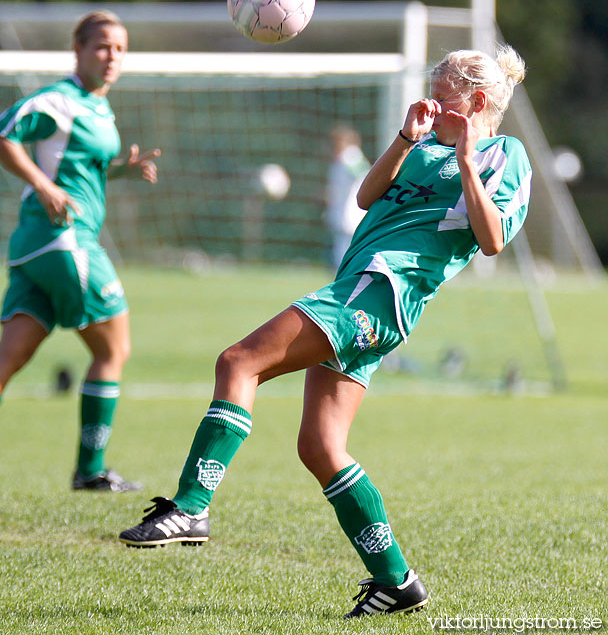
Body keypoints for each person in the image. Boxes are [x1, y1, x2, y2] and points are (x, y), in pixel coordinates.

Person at [119, 45, 531, 618]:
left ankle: (191, 505)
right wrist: (407, 139)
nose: (432, 106)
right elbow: (364, 199)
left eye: (442, 96)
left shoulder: (503, 155)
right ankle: (397, 583)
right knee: (320, 446)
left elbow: (491, 240)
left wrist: (465, 159)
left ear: (478, 100)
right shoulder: (422, 147)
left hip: (379, 291)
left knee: (239, 362)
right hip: (360, 290)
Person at [0, 10, 161, 493]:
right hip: (64, 240)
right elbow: (5, 133)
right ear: (78, 49)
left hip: (35, 250)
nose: (112, 57)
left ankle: (91, 470)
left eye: (120, 49)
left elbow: (74, 165)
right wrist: (42, 185)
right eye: (102, 47)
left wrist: (117, 171)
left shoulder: (97, 106)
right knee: (114, 348)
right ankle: (90, 469)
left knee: (10, 357)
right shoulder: (59, 100)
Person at [325, 124, 369, 269]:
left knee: (346, 248)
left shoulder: (350, 157)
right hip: (343, 211)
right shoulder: (343, 159)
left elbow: (363, 176)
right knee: (341, 246)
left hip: (352, 211)